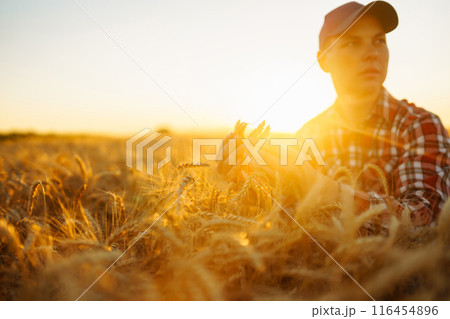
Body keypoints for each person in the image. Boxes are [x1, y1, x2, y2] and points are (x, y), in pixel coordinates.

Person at [295, 1, 450, 227]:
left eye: (379, 41)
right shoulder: (307, 135)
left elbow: (424, 216)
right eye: (352, 43)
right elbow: (290, 218)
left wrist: (327, 192)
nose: (371, 54)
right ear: (323, 59)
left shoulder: (420, 125)